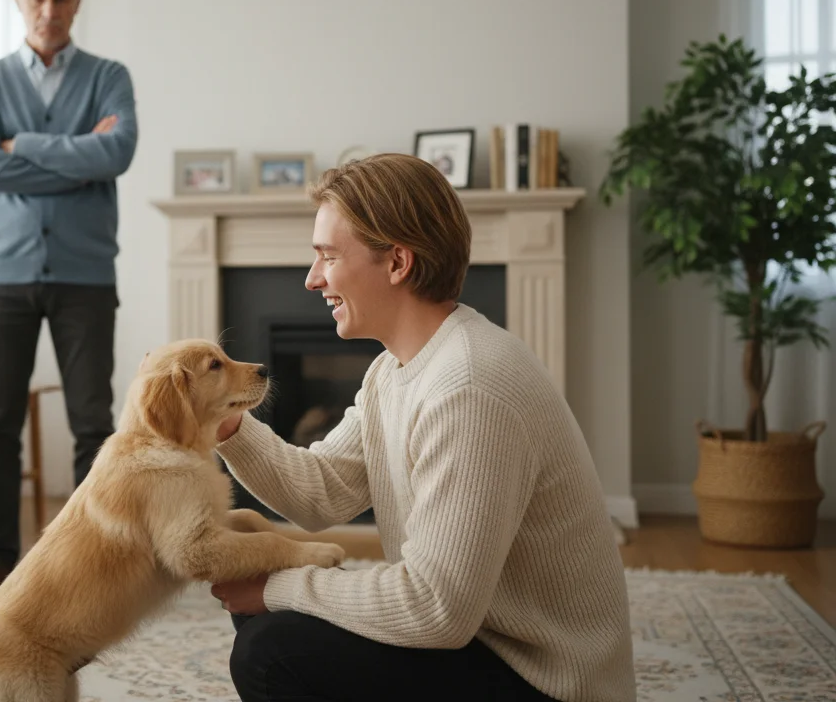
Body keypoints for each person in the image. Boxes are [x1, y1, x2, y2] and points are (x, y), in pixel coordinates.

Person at [209, 153, 635, 701]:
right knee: (266, 611)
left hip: (545, 681)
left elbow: (435, 609)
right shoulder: (397, 368)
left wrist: (278, 586)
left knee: (272, 649)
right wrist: (228, 425)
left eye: (329, 257)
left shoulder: (469, 387)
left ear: (397, 263)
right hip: (482, 641)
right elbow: (323, 491)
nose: (313, 280)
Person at [0, 0, 138, 602]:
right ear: (19, 0)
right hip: (1, 274)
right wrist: (76, 159)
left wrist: (22, 147)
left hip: (86, 275)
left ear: (78, 2)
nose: (49, 9)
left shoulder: (109, 75)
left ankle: (86, 562)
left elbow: (116, 153)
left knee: (93, 422)